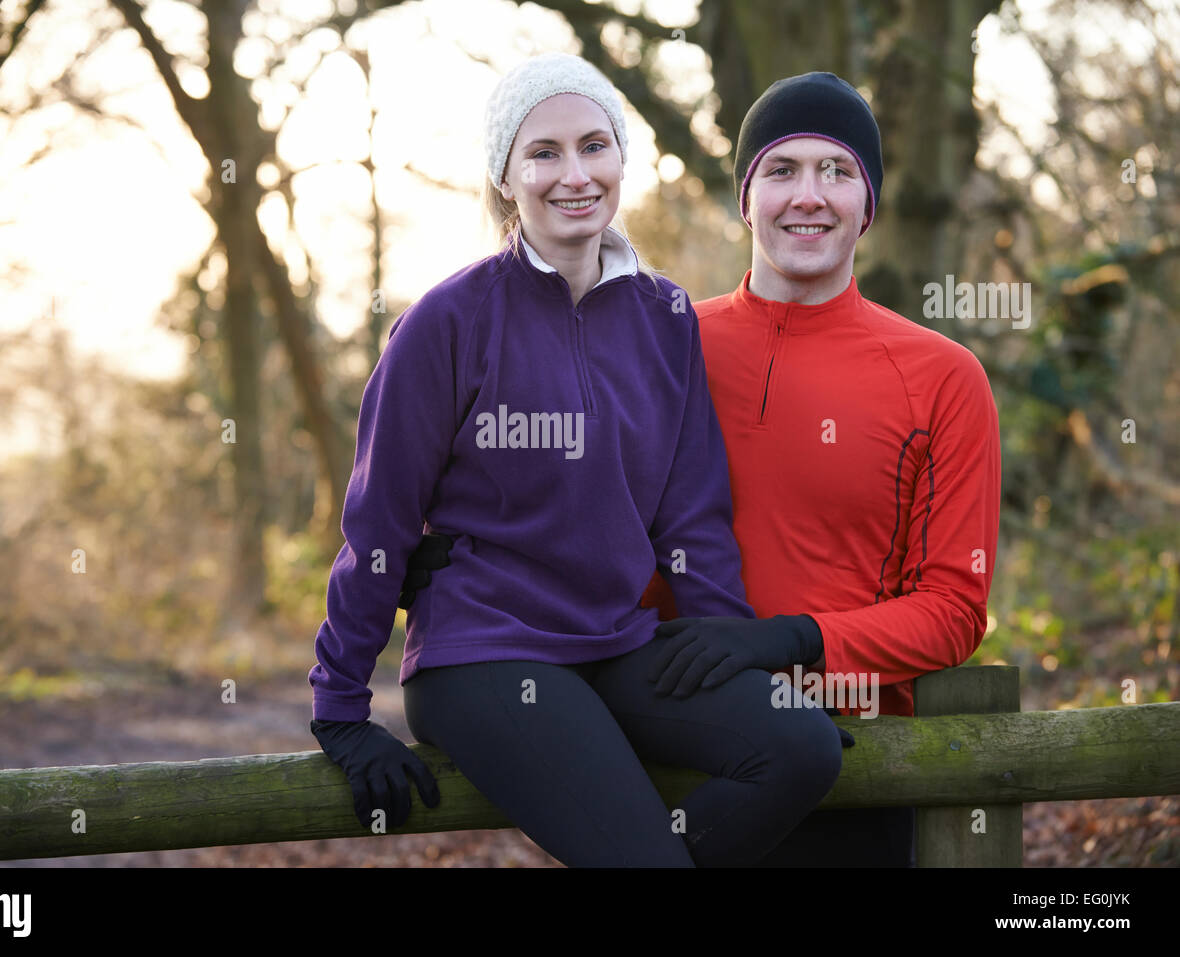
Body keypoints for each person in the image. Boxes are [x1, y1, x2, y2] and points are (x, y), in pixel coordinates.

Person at [407, 71, 1003, 867]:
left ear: (871, 202)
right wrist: (442, 549)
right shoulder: (659, 332)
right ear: (746, 195)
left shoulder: (942, 375)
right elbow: (515, 458)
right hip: (659, 742)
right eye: (781, 170)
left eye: (839, 171)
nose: (809, 196)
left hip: (844, 755)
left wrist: (791, 642)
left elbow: (954, 608)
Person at [307, 53, 846, 868]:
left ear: (622, 160)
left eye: (595, 146)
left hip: (619, 642)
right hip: (486, 653)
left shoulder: (664, 314)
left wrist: (736, 658)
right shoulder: (446, 322)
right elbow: (377, 526)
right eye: (544, 153)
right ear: (506, 175)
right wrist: (341, 708)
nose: (574, 175)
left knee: (802, 749)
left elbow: (690, 514)